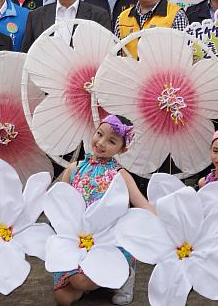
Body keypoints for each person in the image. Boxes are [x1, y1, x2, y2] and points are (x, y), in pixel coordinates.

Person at [53, 115, 153, 306]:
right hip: (79, 240)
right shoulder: (74, 169)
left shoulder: (119, 174)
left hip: (107, 240)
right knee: (63, 299)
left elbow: (141, 203)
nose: (100, 143)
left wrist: (163, 224)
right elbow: (59, 200)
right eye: (99, 134)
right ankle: (96, 282)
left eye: (111, 141)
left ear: (122, 149)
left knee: (80, 281)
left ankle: (123, 275)